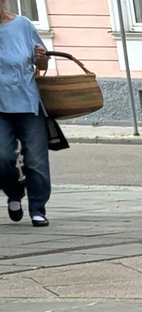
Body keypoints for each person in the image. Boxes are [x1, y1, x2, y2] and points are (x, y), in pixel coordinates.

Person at [0, 0, 51, 227]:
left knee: (36, 160)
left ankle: (38, 208)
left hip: (27, 102)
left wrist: (41, 58)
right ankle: (14, 192)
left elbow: (43, 62)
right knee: (3, 158)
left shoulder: (23, 25)